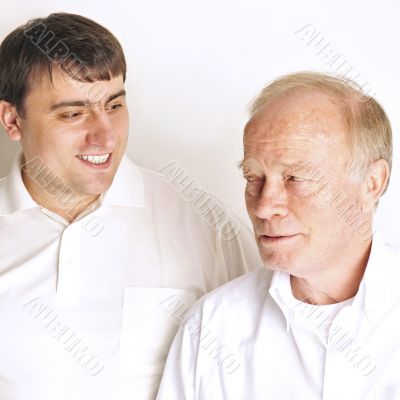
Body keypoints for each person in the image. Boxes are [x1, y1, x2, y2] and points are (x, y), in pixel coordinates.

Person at [0, 13, 260, 400]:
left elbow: (254, 366)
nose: (105, 134)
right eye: (73, 113)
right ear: (12, 119)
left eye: (115, 105)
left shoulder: (204, 225)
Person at [156, 72, 400, 400]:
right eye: (253, 177)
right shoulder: (212, 329)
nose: (264, 206)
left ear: (372, 182)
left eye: (295, 177)